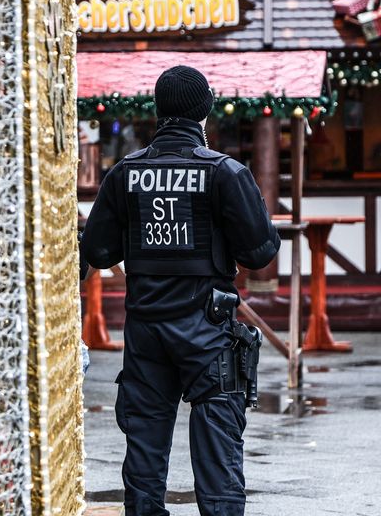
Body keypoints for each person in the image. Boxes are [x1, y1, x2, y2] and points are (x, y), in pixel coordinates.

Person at [81, 65, 280, 516]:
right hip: (208, 330)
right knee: (217, 452)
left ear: (158, 111)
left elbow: (97, 248)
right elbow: (259, 252)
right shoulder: (225, 172)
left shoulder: (126, 173)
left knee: (145, 454)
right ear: (204, 112)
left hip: (146, 330)